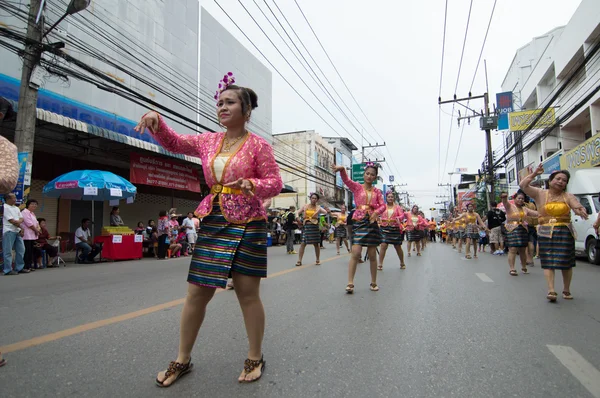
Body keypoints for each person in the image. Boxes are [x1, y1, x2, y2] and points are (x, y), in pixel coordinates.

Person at [134, 73, 282, 386]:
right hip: (214, 220)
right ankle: (182, 360)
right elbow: (175, 142)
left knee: (247, 293)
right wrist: (156, 121)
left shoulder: (259, 146)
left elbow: (275, 184)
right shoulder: (207, 140)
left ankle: (255, 356)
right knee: (196, 294)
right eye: (219, 103)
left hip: (249, 222)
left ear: (246, 110)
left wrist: (252, 184)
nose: (222, 107)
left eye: (230, 102)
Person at [520, 165, 588, 302]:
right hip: (545, 230)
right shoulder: (539, 193)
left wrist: (580, 210)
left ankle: (566, 289)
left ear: (566, 184)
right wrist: (534, 174)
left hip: (564, 231)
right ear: (550, 181)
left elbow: (576, 205)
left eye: (564, 180)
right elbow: (523, 185)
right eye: (558, 178)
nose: (560, 181)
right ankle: (551, 290)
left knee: (566, 262)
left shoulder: (568, 196)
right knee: (548, 261)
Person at [331, 162, 385, 293]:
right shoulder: (357, 187)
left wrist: (376, 213)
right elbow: (346, 180)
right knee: (355, 252)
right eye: (367, 173)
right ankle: (350, 283)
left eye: (372, 174)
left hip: (372, 222)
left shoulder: (377, 192)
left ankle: (373, 282)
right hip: (359, 221)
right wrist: (342, 169)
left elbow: (382, 206)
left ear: (375, 177)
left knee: (372, 254)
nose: (369, 176)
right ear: (363, 174)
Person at [501, 191, 538, 275]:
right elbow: (505, 202)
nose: (520, 200)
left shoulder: (525, 209)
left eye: (522, 199)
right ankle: (512, 268)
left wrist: (546, 212)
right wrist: (504, 197)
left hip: (523, 229)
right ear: (514, 199)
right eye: (519, 198)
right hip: (511, 229)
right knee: (512, 248)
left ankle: (524, 266)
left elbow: (536, 213)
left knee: (522, 249)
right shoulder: (509, 206)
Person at [295, 193, 328, 266]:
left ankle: (317, 259)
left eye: (315, 198)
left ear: (317, 200)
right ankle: (299, 260)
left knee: (316, 244)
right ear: (310, 198)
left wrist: (320, 210)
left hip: (314, 226)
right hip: (306, 226)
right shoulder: (305, 206)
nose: (314, 199)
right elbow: (297, 212)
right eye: (312, 198)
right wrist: (297, 218)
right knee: (303, 243)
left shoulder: (318, 207)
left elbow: (325, 212)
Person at [378, 191, 406, 270]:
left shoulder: (397, 207)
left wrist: (399, 218)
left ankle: (402, 262)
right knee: (383, 245)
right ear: (386, 198)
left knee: (397, 246)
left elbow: (402, 215)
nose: (390, 198)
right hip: (384, 227)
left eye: (392, 197)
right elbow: (377, 212)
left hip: (394, 228)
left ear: (394, 198)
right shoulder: (383, 207)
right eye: (389, 197)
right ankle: (380, 264)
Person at [2, 193, 27, 275]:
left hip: (17, 230)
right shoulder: (5, 207)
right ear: (8, 199)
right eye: (14, 198)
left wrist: (19, 224)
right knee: (8, 251)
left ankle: (19, 267)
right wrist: (20, 225)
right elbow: (11, 221)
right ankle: (8, 270)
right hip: (9, 231)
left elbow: (21, 218)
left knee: (21, 250)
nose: (15, 199)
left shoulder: (16, 208)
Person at [21, 199, 41, 271]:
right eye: (32, 204)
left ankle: (29, 265)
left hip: (32, 235)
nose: (34, 205)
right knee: (27, 251)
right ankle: (25, 266)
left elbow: (36, 223)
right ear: (28, 205)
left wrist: (38, 229)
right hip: (26, 235)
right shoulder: (25, 212)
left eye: (35, 204)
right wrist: (36, 230)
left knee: (30, 251)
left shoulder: (32, 213)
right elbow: (29, 224)